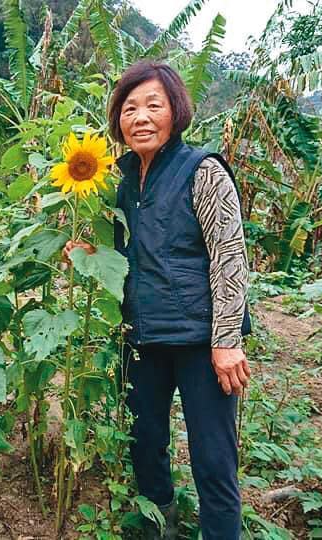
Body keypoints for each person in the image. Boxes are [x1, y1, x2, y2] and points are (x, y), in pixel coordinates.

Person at [64, 61, 251, 539]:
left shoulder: (202, 171)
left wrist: (227, 339)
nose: (140, 117)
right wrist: (92, 254)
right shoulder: (120, 178)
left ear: (176, 112)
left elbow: (229, 256)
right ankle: (158, 528)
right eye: (129, 108)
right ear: (118, 121)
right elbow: (130, 251)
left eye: (153, 105)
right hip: (140, 336)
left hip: (200, 342)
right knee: (145, 444)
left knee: (213, 458)